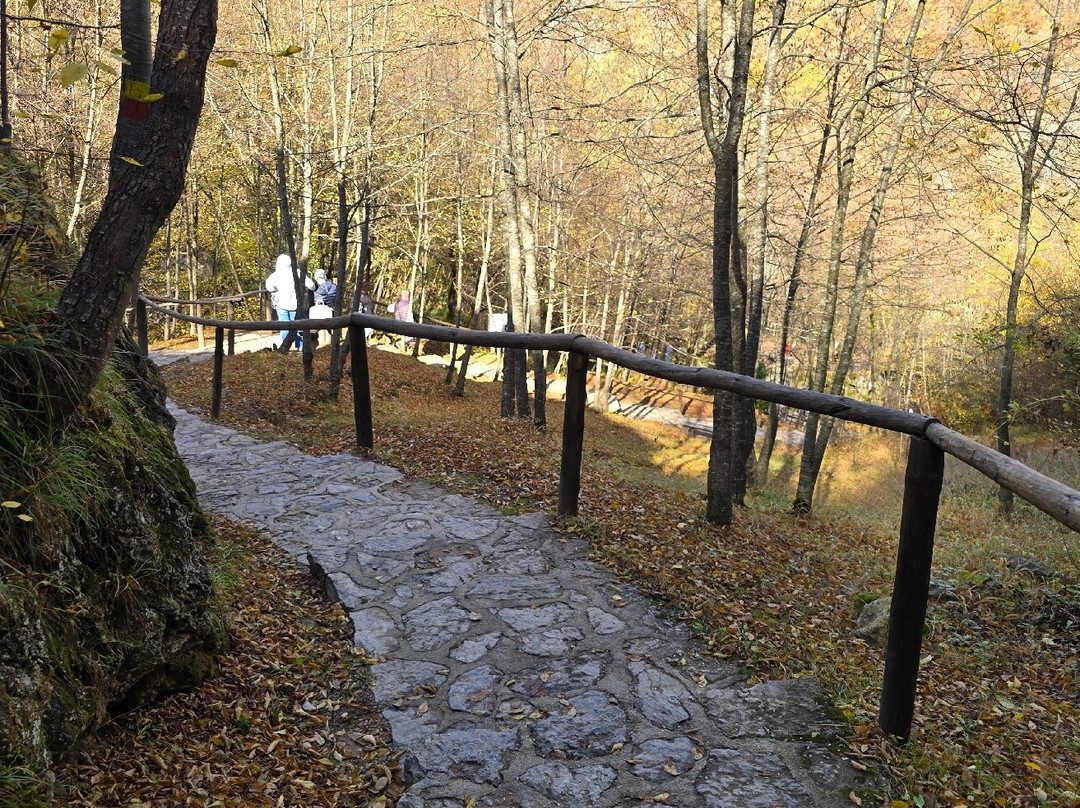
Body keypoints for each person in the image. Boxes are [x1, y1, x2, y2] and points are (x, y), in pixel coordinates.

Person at [265, 253, 315, 349]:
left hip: (281, 303)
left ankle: (286, 347)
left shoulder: (276, 275)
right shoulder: (298, 272)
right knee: (297, 325)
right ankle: (299, 346)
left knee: (284, 325)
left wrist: (277, 289)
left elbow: (269, 288)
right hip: (296, 304)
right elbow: (311, 285)